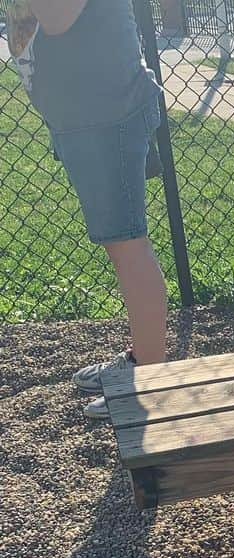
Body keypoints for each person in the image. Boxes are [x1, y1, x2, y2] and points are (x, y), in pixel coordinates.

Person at [6, 0, 168, 419]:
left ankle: (149, 381)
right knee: (123, 245)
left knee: (129, 245)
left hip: (106, 113)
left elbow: (58, 17)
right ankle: (142, 361)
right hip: (90, 114)